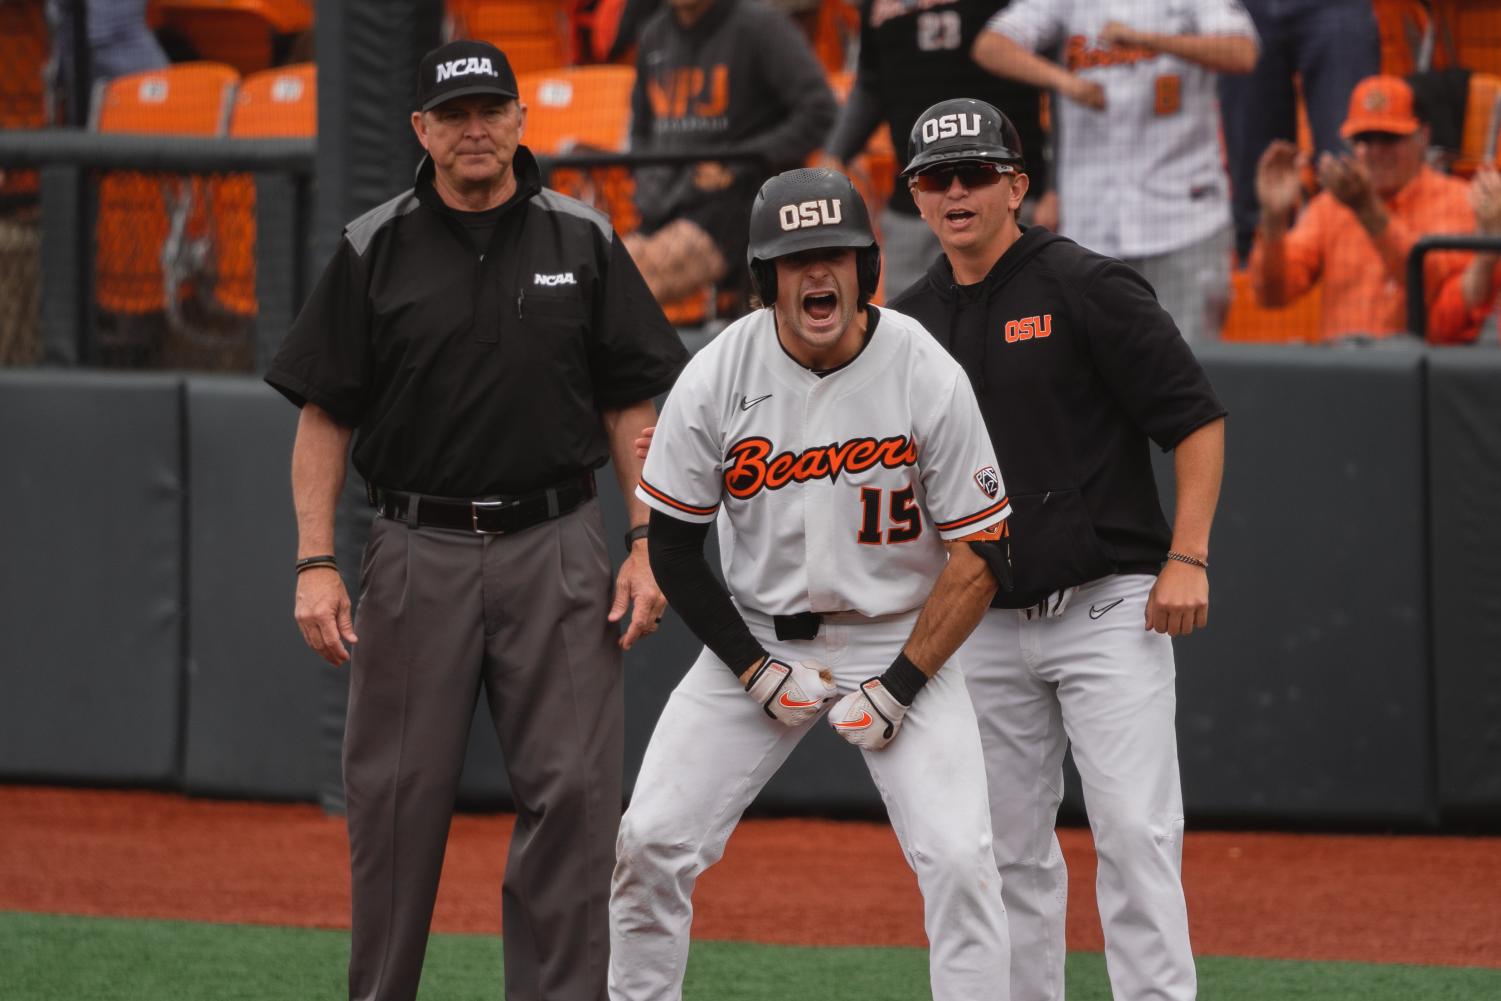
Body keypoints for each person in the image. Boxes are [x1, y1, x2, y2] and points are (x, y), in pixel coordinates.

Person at [263, 39, 688, 1001]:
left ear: (519, 120)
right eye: (452, 114)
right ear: (420, 130)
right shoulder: (374, 245)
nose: (474, 128)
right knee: (395, 805)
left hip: (561, 540)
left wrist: (648, 542)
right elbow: (323, 411)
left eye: (490, 109)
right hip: (417, 545)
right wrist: (313, 560)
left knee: (575, 803)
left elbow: (634, 406)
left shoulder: (583, 237)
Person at [610, 167, 1015, 1001]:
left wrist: (901, 683)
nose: (818, 273)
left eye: (835, 254)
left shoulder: (924, 371)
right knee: (649, 839)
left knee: (964, 861)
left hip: (902, 636)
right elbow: (676, 551)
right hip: (753, 637)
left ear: (867, 267)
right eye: (796, 259)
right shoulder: (718, 373)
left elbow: (983, 553)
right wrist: (752, 668)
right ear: (765, 278)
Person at [890, 98, 1227, 1001]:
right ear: (915, 197)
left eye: (972, 173)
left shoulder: (1087, 283)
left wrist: (1185, 557)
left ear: (1016, 184)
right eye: (933, 177)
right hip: (983, 620)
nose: (953, 190)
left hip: (1108, 602)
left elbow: (1193, 419)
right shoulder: (906, 323)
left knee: (1135, 833)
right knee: (1005, 853)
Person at [973, 0, 1259, 345]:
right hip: (1092, 223)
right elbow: (990, 46)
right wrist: (1066, 83)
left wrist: (1149, 40)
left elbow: (1242, 52)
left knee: (1191, 364)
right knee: (1096, 372)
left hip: (1185, 220)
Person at [823, 0, 1049, 298]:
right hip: (917, 198)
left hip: (999, 189)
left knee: (1017, 314)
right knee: (910, 323)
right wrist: (836, 153)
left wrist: (1054, 188)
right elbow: (871, 81)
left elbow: (1055, 75)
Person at [625, 0, 836, 305]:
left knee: (628, 288)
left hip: (736, 205)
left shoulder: (761, 26)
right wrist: (647, 188)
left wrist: (735, 164)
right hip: (661, 206)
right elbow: (641, 131)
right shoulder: (653, 33)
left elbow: (819, 112)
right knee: (603, 277)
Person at [1249, 74, 1481, 344]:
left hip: (1421, 375)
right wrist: (1274, 220)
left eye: (1389, 137)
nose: (1376, 151)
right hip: (1345, 373)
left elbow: (1436, 291)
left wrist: (1366, 209)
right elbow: (1273, 296)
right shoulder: (1330, 207)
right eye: (1364, 139)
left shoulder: (1461, 201)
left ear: (1423, 136)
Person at [1218, 0, 1381, 263]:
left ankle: (1354, 282)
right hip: (1244, 8)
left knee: (1347, 165)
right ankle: (1259, 286)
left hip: (1337, 8)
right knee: (1256, 180)